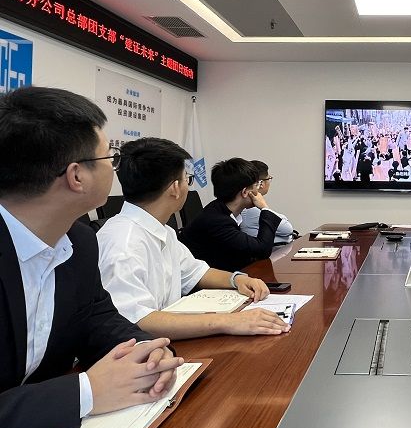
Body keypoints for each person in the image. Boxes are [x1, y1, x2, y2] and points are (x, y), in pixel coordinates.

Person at [0, 86, 182, 428]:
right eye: (109, 157)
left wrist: (149, 352)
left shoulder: (79, 242)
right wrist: (86, 392)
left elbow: (98, 320)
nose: (115, 167)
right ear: (76, 176)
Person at [97, 139, 290, 340]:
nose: (187, 187)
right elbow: (137, 320)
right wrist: (229, 321)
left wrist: (237, 279)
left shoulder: (163, 231)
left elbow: (196, 272)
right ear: (175, 188)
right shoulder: (123, 243)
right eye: (187, 179)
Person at [179, 158, 282, 271]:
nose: (258, 192)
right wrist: (265, 208)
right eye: (256, 186)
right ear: (245, 192)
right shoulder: (217, 221)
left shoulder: (219, 209)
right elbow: (262, 250)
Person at [240, 160, 296, 244]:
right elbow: (287, 228)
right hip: (273, 250)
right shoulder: (251, 209)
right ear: (261, 183)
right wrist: (265, 208)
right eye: (269, 178)